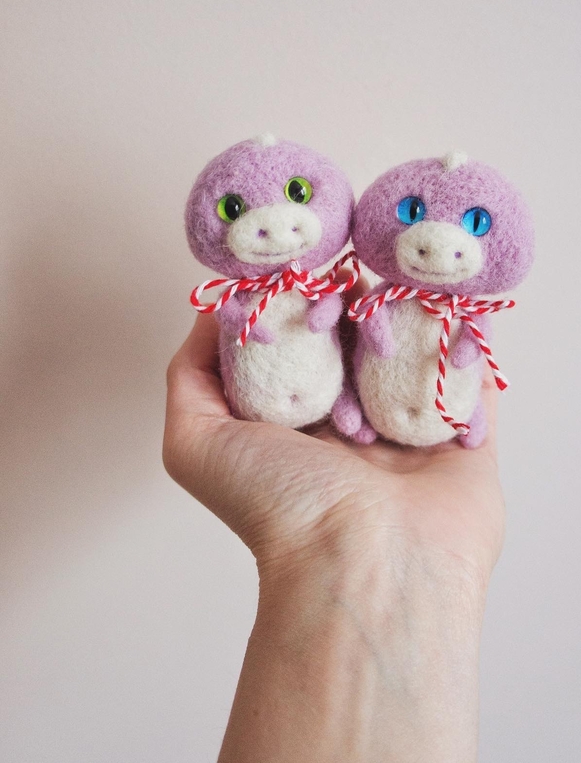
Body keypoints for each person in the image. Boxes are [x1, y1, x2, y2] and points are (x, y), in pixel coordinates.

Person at [163, 295, 505, 763]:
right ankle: (351, 402)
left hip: (425, 410)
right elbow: (366, 335)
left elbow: (438, 344)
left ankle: (373, 405)